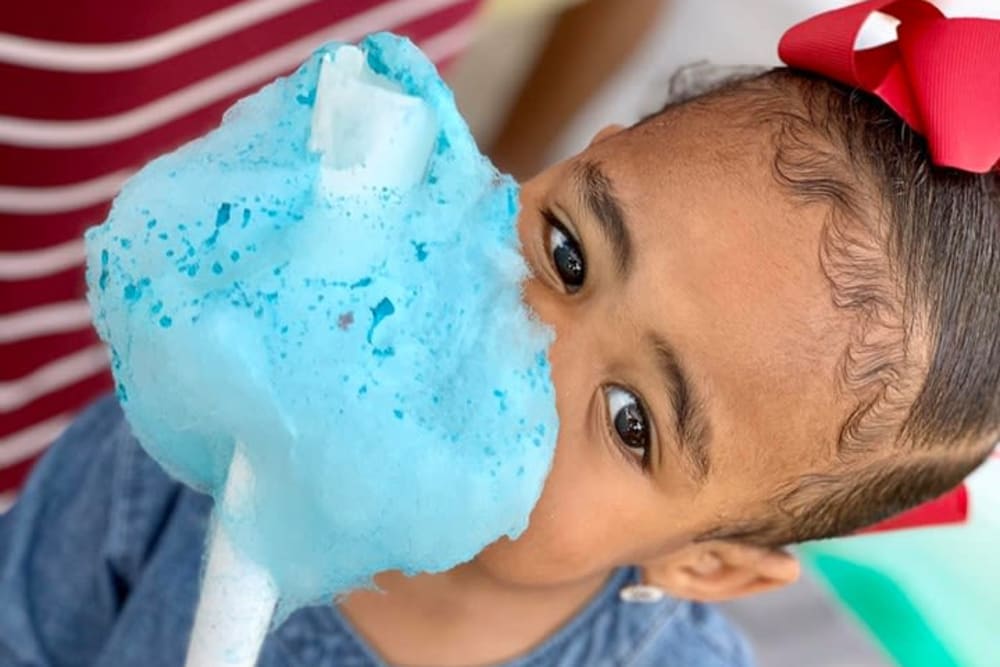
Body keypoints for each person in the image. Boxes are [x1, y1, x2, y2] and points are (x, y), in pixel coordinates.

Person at [1, 1, 997, 665]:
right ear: (566, 163)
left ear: (705, 566)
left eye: (630, 419)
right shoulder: (195, 459)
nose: (529, 339)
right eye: (567, 252)